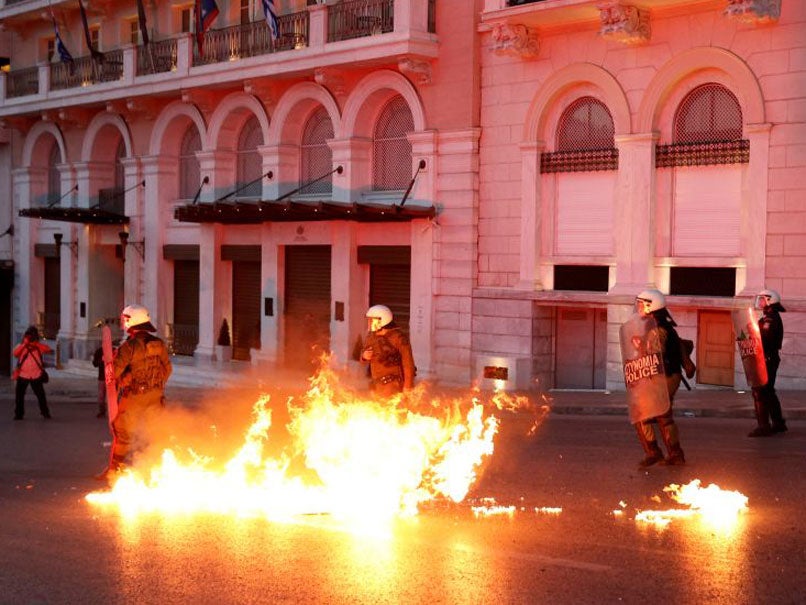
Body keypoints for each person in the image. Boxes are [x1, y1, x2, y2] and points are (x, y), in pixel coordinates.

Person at [98, 304, 172, 480]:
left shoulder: (129, 347)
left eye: (125, 319)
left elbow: (113, 374)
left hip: (134, 397)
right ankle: (158, 472)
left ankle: (115, 471)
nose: (123, 322)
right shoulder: (159, 344)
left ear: (132, 321)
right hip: (156, 396)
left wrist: (109, 362)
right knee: (155, 434)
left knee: (122, 433)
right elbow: (167, 370)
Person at [633, 289, 686, 466]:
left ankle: (664, 453)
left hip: (665, 376)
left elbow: (655, 354)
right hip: (663, 376)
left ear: (650, 306)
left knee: (654, 414)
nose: (639, 307)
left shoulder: (658, 328)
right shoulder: (656, 324)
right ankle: (665, 453)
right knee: (653, 415)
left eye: (642, 304)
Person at [749, 289, 787, 437]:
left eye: (762, 299)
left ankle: (764, 426)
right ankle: (778, 423)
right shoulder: (767, 317)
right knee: (768, 391)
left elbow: (764, 338)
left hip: (767, 358)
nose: (759, 301)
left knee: (760, 391)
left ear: (770, 300)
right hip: (768, 357)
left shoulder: (770, 319)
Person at [360, 304, 416, 397]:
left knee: (392, 409)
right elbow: (363, 355)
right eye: (369, 320)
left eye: (373, 320)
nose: (370, 323)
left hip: (393, 386)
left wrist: (408, 386)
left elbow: (408, 363)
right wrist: (364, 356)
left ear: (383, 320)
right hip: (376, 385)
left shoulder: (398, 338)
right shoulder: (371, 337)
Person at [12, 326, 53, 420]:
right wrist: (24, 344)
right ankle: (19, 414)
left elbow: (48, 350)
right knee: (19, 396)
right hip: (23, 375)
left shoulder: (38, 346)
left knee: (41, 396)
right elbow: (15, 353)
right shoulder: (22, 346)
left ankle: (45, 412)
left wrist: (36, 344)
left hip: (36, 375)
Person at [91, 345, 107, 418]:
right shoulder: (99, 351)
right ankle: (102, 411)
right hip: (102, 378)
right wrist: (102, 360)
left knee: (113, 397)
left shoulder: (114, 350)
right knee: (101, 396)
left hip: (112, 378)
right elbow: (95, 363)